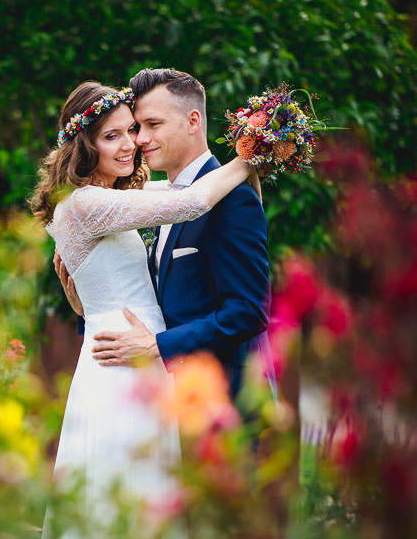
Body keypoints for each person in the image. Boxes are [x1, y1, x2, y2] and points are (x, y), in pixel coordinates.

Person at [31, 80, 257, 539]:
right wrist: (254, 154)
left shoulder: (108, 198)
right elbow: (194, 201)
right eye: (112, 136)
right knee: (131, 499)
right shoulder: (87, 204)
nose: (130, 143)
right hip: (122, 367)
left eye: (133, 130)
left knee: (148, 499)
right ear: (84, 144)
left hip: (135, 356)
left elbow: (183, 190)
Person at [57, 68, 271, 403]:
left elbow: (247, 311)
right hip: (155, 395)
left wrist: (158, 346)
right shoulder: (154, 202)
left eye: (149, 125)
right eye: (134, 128)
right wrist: (91, 312)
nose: (138, 140)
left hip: (221, 403)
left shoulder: (232, 197)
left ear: (193, 121)